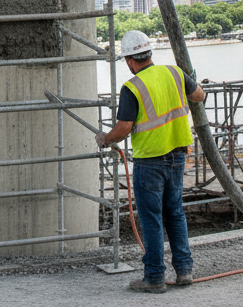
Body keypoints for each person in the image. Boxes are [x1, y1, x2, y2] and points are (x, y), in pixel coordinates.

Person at [95, 30, 206, 293]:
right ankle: (184, 271)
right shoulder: (175, 73)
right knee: (175, 213)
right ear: (149, 54)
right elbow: (199, 95)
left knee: (153, 219)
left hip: (150, 162)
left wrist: (105, 139)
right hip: (178, 156)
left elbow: (123, 128)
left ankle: (155, 277)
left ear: (130, 61)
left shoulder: (133, 87)